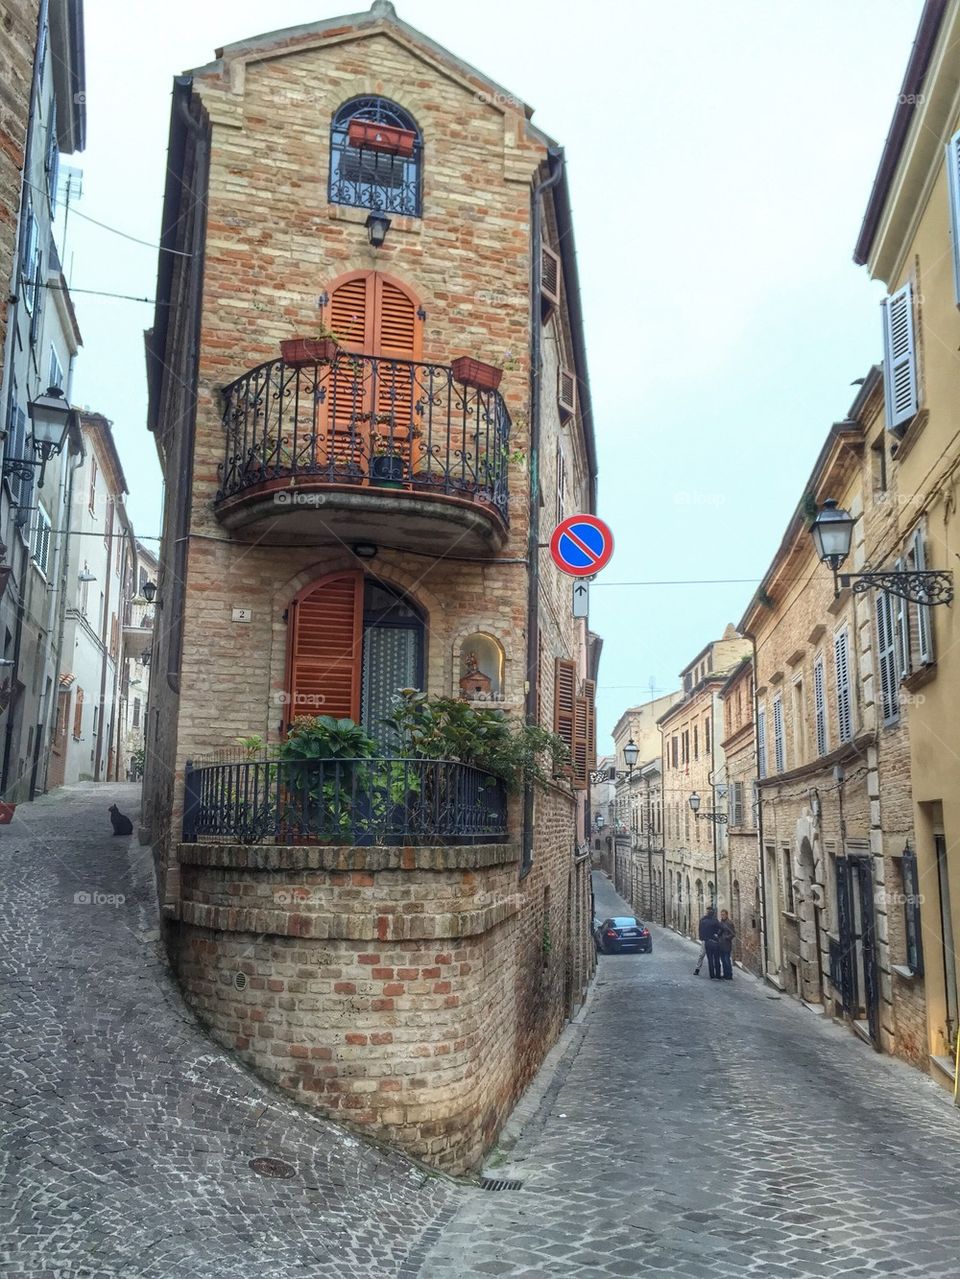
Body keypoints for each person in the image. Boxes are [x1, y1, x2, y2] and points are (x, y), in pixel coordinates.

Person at [698, 906, 722, 979]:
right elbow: (720, 929)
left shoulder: (702, 920)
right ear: (713, 913)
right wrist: (717, 935)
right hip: (715, 941)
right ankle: (718, 974)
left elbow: (700, 930)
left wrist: (702, 938)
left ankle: (712, 975)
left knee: (710, 959)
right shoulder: (715, 920)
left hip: (707, 941)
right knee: (717, 959)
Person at [718, 909, 736, 980]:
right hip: (721, 944)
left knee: (727, 960)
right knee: (723, 960)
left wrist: (726, 938)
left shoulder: (729, 923)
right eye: (721, 915)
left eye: (723, 915)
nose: (722, 916)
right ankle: (725, 974)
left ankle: (729, 975)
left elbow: (733, 933)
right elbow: (719, 932)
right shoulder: (721, 923)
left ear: (726, 915)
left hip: (727, 944)